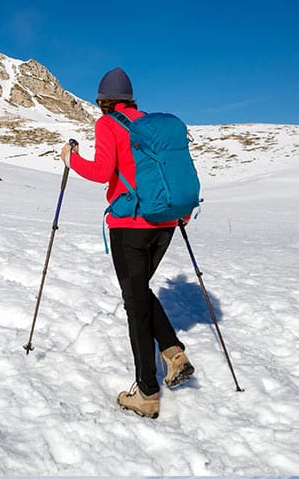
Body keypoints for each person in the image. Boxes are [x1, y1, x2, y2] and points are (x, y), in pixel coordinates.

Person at [60, 67, 194, 419]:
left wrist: (70, 159)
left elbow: (102, 172)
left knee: (135, 302)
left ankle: (147, 393)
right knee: (139, 291)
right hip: (165, 222)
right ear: (131, 98)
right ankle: (173, 353)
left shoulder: (108, 124)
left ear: (103, 101)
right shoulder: (149, 125)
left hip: (130, 223)